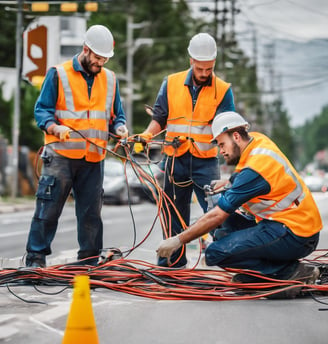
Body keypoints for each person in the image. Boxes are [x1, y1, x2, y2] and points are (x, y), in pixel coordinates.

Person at [157, 111, 323, 291]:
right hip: (288, 226)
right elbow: (244, 169)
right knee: (221, 234)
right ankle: (267, 272)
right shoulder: (256, 141)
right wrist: (229, 182)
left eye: (222, 144)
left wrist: (178, 240)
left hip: (296, 235)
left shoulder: (256, 169)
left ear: (236, 136)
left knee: (215, 253)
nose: (221, 151)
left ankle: (288, 272)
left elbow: (218, 215)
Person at [25, 25, 128, 267]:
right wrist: (54, 128)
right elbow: (42, 111)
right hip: (60, 156)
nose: (100, 63)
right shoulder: (58, 74)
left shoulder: (110, 79)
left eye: (104, 59)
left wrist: (120, 129)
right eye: (97, 57)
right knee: (48, 211)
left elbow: (117, 116)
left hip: (94, 158)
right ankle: (35, 260)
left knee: (91, 214)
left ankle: (89, 262)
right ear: (85, 50)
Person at [139, 33, 235, 268]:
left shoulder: (222, 90)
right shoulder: (171, 83)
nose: (204, 73)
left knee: (217, 212)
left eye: (209, 69)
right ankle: (172, 263)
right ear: (191, 60)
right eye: (200, 68)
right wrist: (145, 136)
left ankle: (233, 258)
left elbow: (227, 125)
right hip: (175, 160)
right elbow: (160, 117)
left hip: (205, 162)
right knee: (172, 213)